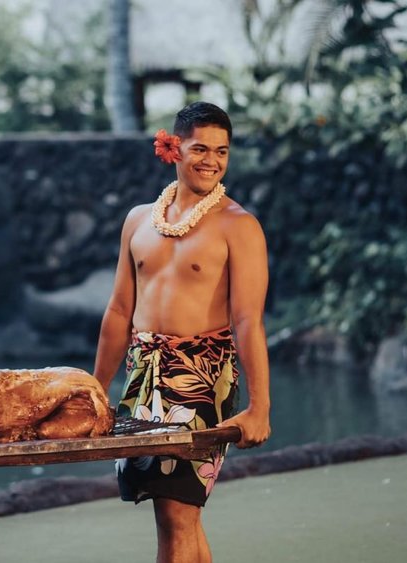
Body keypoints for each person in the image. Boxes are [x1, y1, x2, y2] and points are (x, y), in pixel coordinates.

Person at [93, 101, 271, 563]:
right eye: (200, 148)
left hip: (202, 375)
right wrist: (94, 389)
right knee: (177, 514)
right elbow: (118, 311)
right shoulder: (138, 220)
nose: (211, 160)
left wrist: (260, 407)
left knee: (177, 514)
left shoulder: (239, 226)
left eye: (222, 151)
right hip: (143, 374)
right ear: (172, 149)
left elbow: (250, 320)